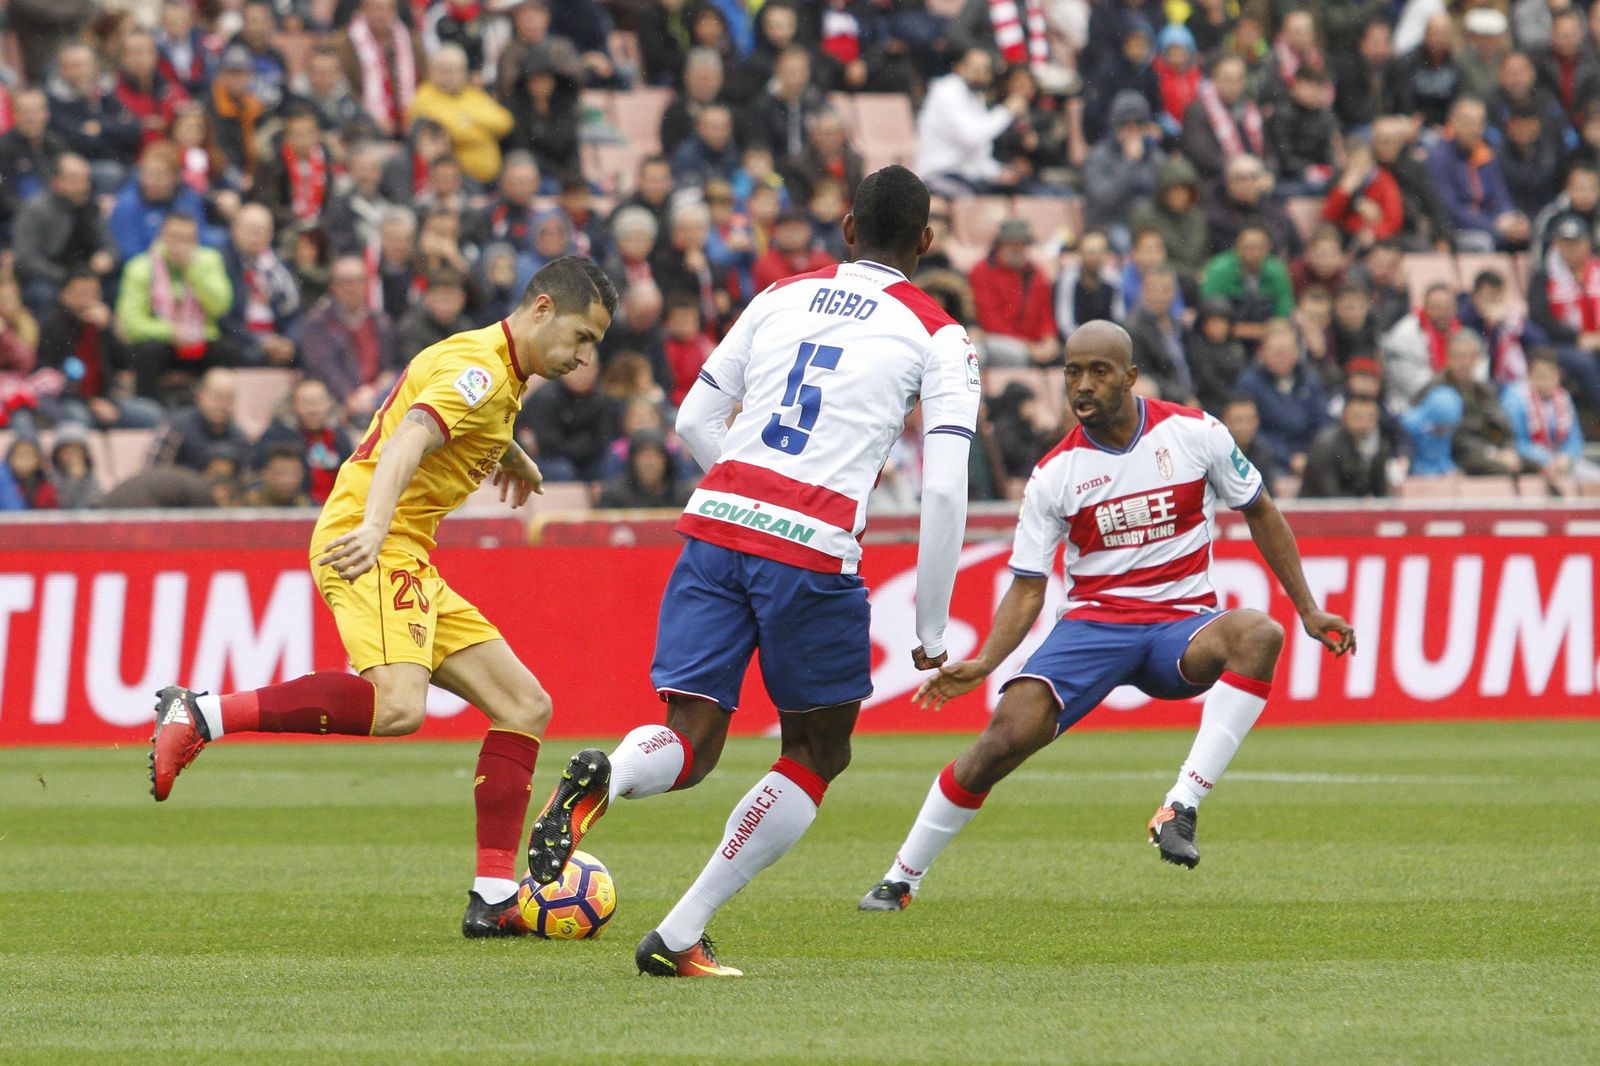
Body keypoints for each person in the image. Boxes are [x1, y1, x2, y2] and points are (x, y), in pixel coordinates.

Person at [529, 166, 978, 977]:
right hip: (808, 550)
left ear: (845, 229)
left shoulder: (778, 296)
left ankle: (610, 774)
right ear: (926, 243)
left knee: (690, 741)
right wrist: (932, 626)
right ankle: (677, 934)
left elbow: (695, 417)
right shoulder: (940, 335)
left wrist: (745, 488)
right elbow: (945, 485)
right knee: (814, 752)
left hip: (717, 523)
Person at [147, 256, 618, 941]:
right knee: (399, 706)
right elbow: (410, 437)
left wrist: (507, 452)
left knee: (525, 704)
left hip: (407, 549)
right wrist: (372, 526)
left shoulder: (495, 368)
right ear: (542, 309)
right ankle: (202, 713)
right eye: (582, 337)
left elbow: (456, 416)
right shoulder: (480, 369)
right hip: (373, 537)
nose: (582, 358)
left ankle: (491, 898)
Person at [857, 319, 1353, 911]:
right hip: (1093, 627)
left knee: (1258, 634)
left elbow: (1262, 511)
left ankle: (1182, 805)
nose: (1083, 385)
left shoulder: (1196, 434)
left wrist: (1307, 609)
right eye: (1072, 372)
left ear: (1131, 376)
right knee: (1001, 740)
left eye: (1099, 371)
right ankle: (901, 877)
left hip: (1181, 625)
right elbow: (1028, 585)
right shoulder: (1055, 474)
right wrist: (987, 660)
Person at [116, 212, 234, 401]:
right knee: (147, 350)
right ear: (162, 236)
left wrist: (192, 269)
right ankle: (148, 409)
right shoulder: (140, 267)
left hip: (201, 340)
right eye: (175, 237)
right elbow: (131, 323)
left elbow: (221, 307)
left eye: (188, 239)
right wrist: (171, 332)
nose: (181, 244)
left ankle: (218, 411)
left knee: (229, 351)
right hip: (163, 344)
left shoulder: (209, 261)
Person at [300, 255, 402, 424]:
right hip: (334, 404)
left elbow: (395, 365)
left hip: (379, 401)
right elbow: (323, 367)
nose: (351, 288)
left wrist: (377, 390)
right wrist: (350, 397)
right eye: (345, 282)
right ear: (333, 286)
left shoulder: (382, 322)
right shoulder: (317, 324)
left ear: (366, 285)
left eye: (357, 281)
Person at [914, 46, 1029, 195]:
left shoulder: (975, 96)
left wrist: (998, 172)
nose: (979, 74)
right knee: (973, 202)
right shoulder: (947, 91)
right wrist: (1007, 111)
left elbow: (978, 154)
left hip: (968, 176)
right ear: (959, 67)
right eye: (974, 68)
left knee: (1028, 190)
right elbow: (972, 137)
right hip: (938, 174)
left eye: (985, 69)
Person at [14, 154, 118, 314]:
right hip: (52, 276)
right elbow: (26, 258)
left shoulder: (91, 207)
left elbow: (109, 244)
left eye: (85, 179)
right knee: (42, 294)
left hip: (87, 274)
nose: (83, 186)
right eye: (75, 180)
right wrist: (65, 277)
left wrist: (108, 256)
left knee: (117, 285)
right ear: (56, 182)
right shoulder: (35, 209)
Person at [1425, 97, 1528, 252]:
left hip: (1491, 223)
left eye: (1479, 123)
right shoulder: (1439, 156)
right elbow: (1450, 208)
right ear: (1453, 122)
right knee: (1483, 241)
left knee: (1526, 234)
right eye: (1468, 122)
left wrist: (1509, 219)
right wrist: (1493, 225)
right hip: (1458, 228)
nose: (1475, 129)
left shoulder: (1485, 153)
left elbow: (1501, 196)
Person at [1525, 213, 1600, 415]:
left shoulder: (1596, 270)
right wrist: (1578, 337)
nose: (1571, 248)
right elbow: (1541, 319)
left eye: (1576, 242)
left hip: (1594, 338)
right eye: (1565, 243)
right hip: (1557, 344)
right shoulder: (1544, 275)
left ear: (1587, 243)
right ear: (1557, 244)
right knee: (1585, 363)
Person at [410, 44, 515, 185]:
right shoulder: (425, 96)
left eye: (456, 70)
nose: (450, 75)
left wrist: (469, 120)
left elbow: (505, 122)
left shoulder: (472, 93)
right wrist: (483, 129)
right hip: (457, 181)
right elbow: (454, 131)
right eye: (444, 70)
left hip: (493, 178)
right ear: (432, 71)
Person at [1235, 319, 1328, 473]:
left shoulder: (1310, 380)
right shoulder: (1249, 383)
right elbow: (1250, 430)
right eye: (1277, 352)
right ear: (1263, 352)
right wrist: (1288, 458)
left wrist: (1310, 457)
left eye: (1288, 351)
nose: (1283, 357)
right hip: (1266, 461)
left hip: (1309, 459)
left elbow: (1322, 422)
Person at [968, 218, 1058, 367]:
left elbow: (1046, 314)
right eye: (1011, 243)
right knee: (1017, 355)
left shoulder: (1036, 273)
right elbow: (990, 320)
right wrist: (1029, 346)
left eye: (1022, 244)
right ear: (999, 245)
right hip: (996, 340)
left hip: (1034, 345)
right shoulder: (982, 271)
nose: (1017, 248)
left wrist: (1049, 340)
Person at [253, 377, 354, 503]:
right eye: (306, 403)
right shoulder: (276, 437)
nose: (313, 410)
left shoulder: (340, 438)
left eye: (318, 402)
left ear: (329, 404)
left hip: (336, 510)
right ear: (294, 405)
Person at [1504, 352, 1597, 483]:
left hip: (1562, 463)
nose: (1546, 380)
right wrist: (1546, 459)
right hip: (1530, 463)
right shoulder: (1515, 398)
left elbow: (1575, 438)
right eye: (1541, 375)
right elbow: (1514, 440)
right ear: (1529, 376)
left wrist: (1567, 458)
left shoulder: (1564, 398)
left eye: (1551, 375)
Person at [339, 0, 424, 140]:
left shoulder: (411, 40)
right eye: (376, 8)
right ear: (363, 10)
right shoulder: (345, 42)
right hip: (365, 125)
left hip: (409, 122)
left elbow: (424, 79)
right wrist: (371, 119)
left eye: (387, 9)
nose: (382, 15)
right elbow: (345, 89)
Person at [1200, 224, 1294, 345]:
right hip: (1225, 339)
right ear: (1237, 246)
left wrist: (1272, 329)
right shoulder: (1219, 269)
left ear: (1268, 248)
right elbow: (1211, 318)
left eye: (1260, 247)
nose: (1254, 253)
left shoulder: (1277, 271)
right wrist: (1258, 331)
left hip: (1266, 339)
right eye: (1249, 247)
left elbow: (1284, 313)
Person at [1181, 56, 1266, 184]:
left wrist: (1266, 172)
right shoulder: (1198, 110)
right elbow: (1204, 156)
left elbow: (1268, 150)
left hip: (1255, 177)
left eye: (1239, 79)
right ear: (1214, 80)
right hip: (1217, 181)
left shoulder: (1250, 108)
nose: (1234, 85)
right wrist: (1243, 172)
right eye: (1228, 79)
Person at [149, 367, 251, 471]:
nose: (222, 404)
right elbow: (154, 473)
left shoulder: (239, 437)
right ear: (201, 395)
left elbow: (243, 478)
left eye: (229, 398)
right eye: (217, 396)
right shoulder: (176, 427)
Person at [1382, 283, 1461, 410]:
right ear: (1424, 307)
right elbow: (1414, 387)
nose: (1443, 313)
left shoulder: (1459, 331)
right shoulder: (1405, 335)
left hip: (1454, 399)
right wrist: (1454, 374)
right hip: (1409, 407)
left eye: (1448, 307)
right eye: (1437, 307)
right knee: (1445, 402)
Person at [1125, 268, 1195, 403]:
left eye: (1167, 290)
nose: (1160, 295)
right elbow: (1143, 375)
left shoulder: (1177, 323)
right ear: (1143, 291)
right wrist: (1183, 397)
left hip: (1191, 392)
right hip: (1164, 401)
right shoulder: (1134, 328)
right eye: (1154, 289)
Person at [1302, 392, 1392, 496]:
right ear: (1344, 417)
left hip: (1357, 507)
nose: (1364, 423)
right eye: (1358, 417)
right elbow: (1329, 493)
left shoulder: (1380, 446)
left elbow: (1381, 492)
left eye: (1370, 417)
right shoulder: (1326, 446)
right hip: (1317, 508)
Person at [595, 429, 693, 509]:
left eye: (656, 455)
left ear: (666, 460)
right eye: (643, 455)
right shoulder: (613, 496)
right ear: (633, 460)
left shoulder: (682, 496)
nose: (650, 462)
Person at [1053, 230, 1123, 336]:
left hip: (1106, 339)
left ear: (1105, 255)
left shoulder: (1113, 279)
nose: (1093, 258)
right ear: (1080, 254)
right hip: (1074, 339)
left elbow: (1118, 317)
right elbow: (1065, 321)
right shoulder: (1067, 279)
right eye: (1089, 253)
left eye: (1098, 253)